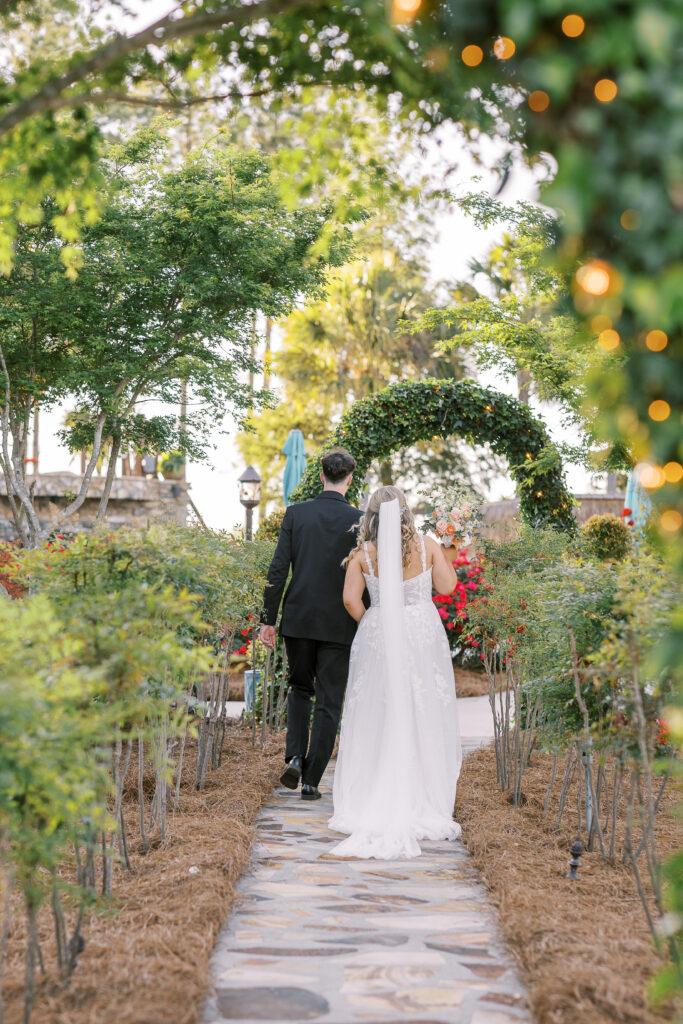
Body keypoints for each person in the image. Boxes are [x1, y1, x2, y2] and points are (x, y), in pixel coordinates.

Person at [329, 485, 462, 859]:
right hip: (422, 633)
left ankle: (374, 787)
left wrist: (373, 621)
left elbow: (349, 599)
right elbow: (447, 587)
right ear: (406, 512)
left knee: (377, 708)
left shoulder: (362, 554)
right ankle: (424, 791)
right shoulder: (428, 545)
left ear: (369, 515)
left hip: (380, 635)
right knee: (424, 706)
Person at [260, 448, 363, 801]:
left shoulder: (296, 514)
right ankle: (312, 781)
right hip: (340, 623)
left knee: (299, 688)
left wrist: (267, 620)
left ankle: (293, 757)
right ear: (349, 479)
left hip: (299, 620)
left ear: (322, 476)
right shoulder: (361, 521)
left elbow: (278, 569)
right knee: (329, 701)